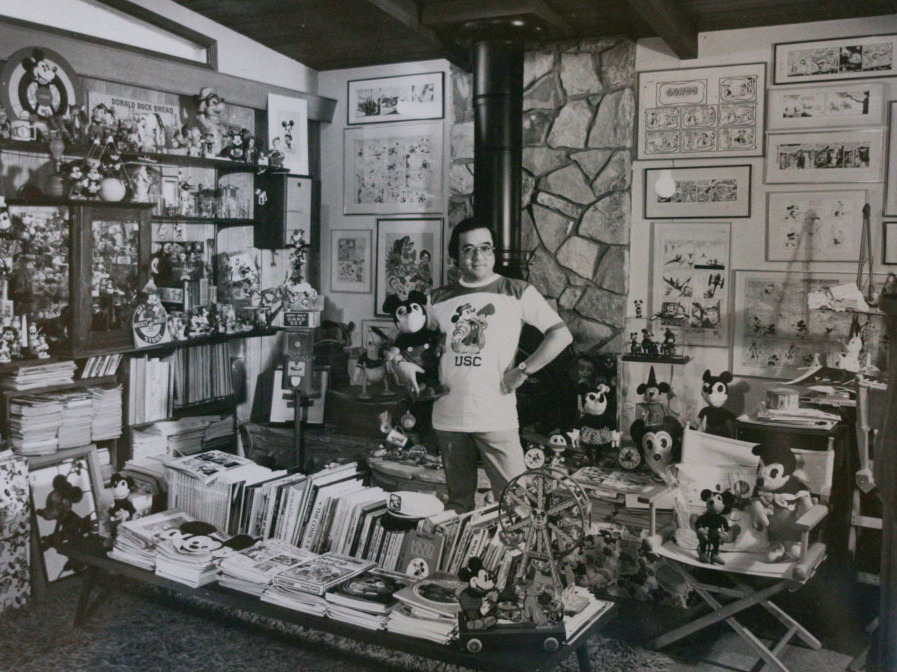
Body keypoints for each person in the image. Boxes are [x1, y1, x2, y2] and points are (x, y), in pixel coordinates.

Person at [428, 217, 573, 512]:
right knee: (458, 505)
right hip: (448, 416)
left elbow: (561, 335)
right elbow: (412, 344)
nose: (477, 256)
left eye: (485, 248)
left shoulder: (516, 291)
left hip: (496, 415)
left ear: (494, 252)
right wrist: (403, 366)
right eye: (468, 249)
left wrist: (523, 370)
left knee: (518, 504)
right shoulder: (437, 299)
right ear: (455, 256)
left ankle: (517, 558)